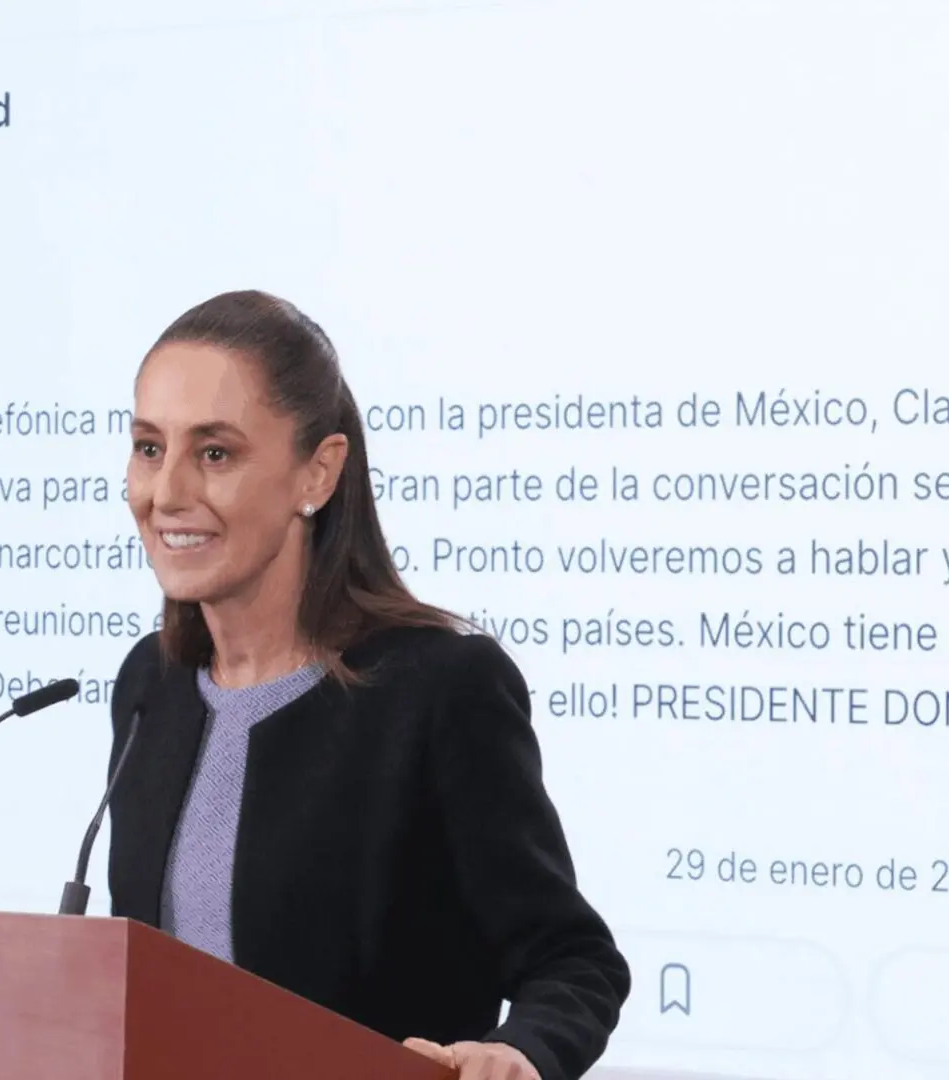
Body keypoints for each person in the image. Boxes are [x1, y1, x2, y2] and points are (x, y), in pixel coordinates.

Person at [104, 290, 630, 1080]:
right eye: (149, 447)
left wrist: (519, 1053)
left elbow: (574, 960)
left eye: (215, 453)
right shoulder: (153, 684)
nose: (167, 492)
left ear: (317, 472)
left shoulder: (439, 690)